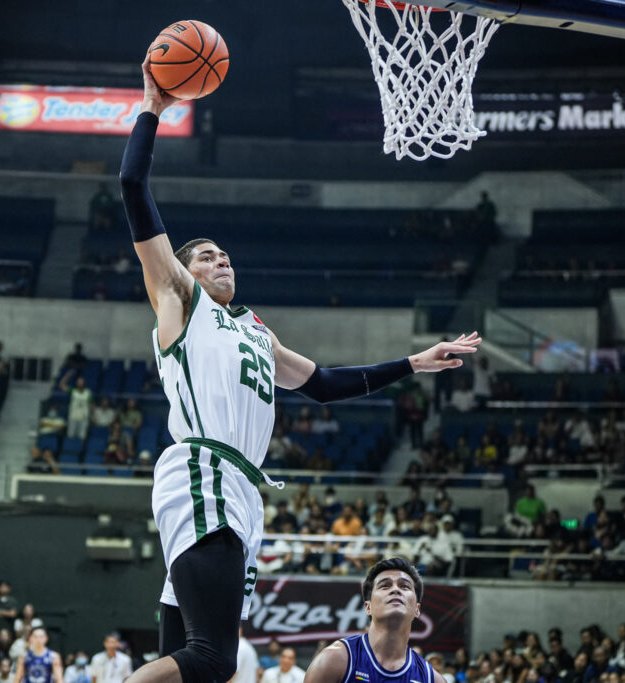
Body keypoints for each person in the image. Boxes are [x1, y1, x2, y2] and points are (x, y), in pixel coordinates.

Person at [119, 52, 482, 683]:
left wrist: (412, 364)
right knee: (214, 658)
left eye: (223, 252)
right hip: (204, 472)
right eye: (206, 255)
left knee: (200, 665)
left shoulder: (256, 330)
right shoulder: (180, 300)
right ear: (184, 271)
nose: (220, 258)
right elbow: (132, 190)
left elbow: (323, 385)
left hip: (236, 488)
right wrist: (152, 110)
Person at [302, 557, 439, 683]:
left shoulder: (432, 679)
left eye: (405, 586)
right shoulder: (333, 661)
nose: (396, 589)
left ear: (417, 608)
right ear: (368, 607)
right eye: (385, 585)